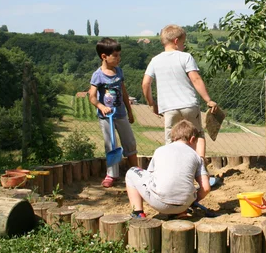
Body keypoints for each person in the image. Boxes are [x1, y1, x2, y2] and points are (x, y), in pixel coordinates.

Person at [142, 24, 217, 158]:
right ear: (176, 41)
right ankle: (200, 166)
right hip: (189, 105)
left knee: (171, 139)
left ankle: (174, 167)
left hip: (169, 108)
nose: (184, 46)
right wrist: (208, 100)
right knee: (198, 134)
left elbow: (146, 83)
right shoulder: (185, 57)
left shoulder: (155, 60)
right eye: (183, 43)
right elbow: (196, 79)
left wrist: (151, 103)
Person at [125, 120, 211, 218]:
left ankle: (138, 213)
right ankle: (179, 212)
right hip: (184, 204)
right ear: (192, 139)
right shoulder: (196, 157)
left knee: (131, 172)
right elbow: (206, 188)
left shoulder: (160, 150)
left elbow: (151, 176)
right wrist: (192, 202)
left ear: (173, 138)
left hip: (159, 203)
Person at [89, 37, 138, 188]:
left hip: (121, 114)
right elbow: (91, 96)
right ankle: (111, 175)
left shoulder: (119, 72)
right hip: (106, 117)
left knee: (129, 142)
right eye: (115, 56)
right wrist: (101, 106)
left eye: (119, 55)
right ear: (104, 56)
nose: (119, 59)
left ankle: (135, 172)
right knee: (111, 145)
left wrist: (129, 111)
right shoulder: (98, 75)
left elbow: (123, 92)